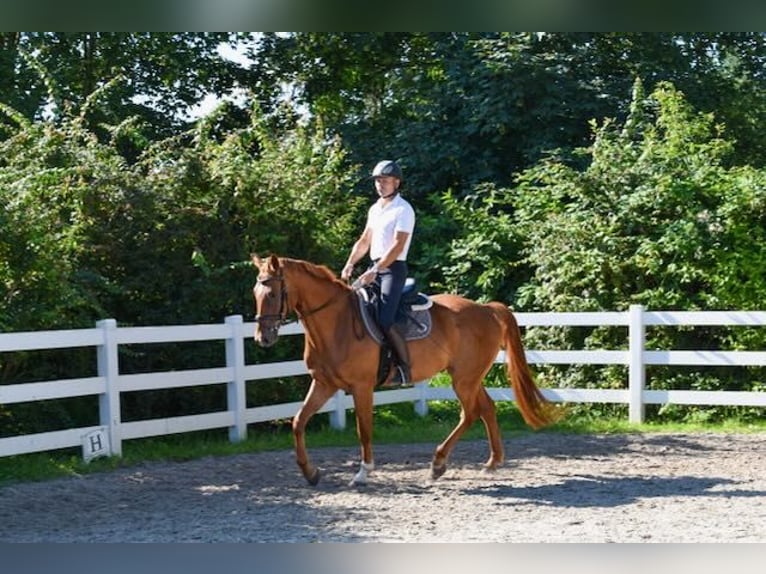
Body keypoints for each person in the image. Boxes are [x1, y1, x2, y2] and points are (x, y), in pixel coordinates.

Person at [341, 160, 415, 385]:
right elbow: (364, 240)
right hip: (374, 267)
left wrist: (375, 269)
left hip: (392, 270)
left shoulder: (403, 209)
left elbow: (398, 245)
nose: (380, 185)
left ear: (396, 182)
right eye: (378, 181)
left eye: (384, 181)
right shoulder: (375, 209)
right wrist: (350, 263)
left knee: (384, 318)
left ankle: (403, 368)